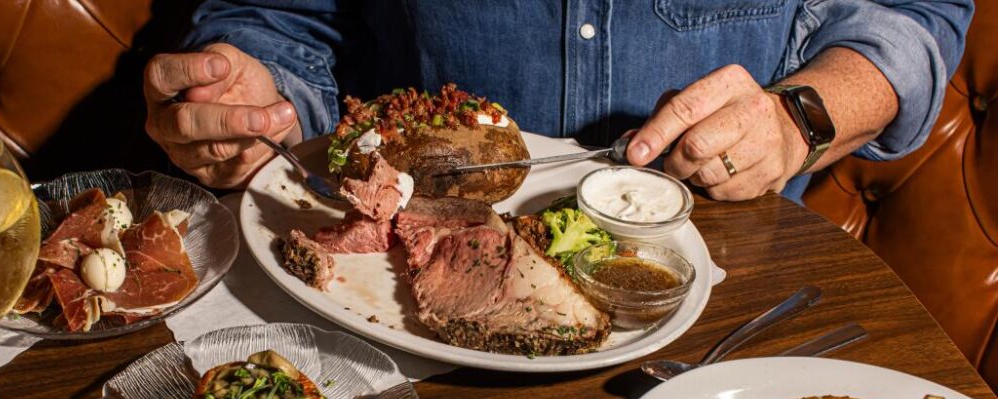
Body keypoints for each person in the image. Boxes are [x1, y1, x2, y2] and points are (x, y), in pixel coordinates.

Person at [143, 1, 973, 203]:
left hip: (719, 304)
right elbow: (283, 19)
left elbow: (916, 15)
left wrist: (798, 119)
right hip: (396, 283)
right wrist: (257, 101)